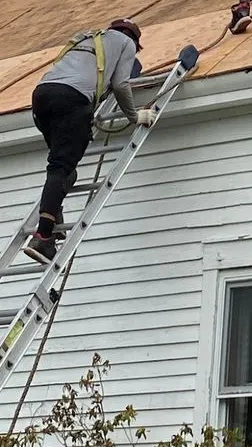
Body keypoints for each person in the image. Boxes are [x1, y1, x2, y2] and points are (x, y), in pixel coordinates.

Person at [24, 18, 155, 265]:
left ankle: (51, 230)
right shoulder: (126, 43)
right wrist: (135, 115)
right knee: (61, 168)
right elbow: (120, 84)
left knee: (63, 167)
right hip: (72, 101)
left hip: (42, 96)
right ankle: (42, 234)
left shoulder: (86, 38)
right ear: (134, 40)